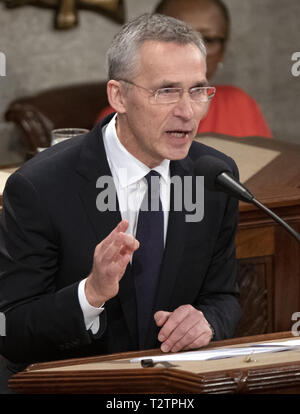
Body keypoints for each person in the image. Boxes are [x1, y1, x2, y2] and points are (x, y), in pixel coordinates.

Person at [0, 13, 241, 393]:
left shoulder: (213, 177)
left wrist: (207, 319)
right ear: (118, 96)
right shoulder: (39, 187)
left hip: (173, 387)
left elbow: (223, 295)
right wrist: (90, 294)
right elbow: (10, 330)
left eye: (198, 90)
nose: (188, 111)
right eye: (166, 91)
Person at [97, 0, 273, 138]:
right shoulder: (119, 117)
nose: (195, 50)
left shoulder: (240, 104)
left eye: (209, 40)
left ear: (222, 52)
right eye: (178, 36)